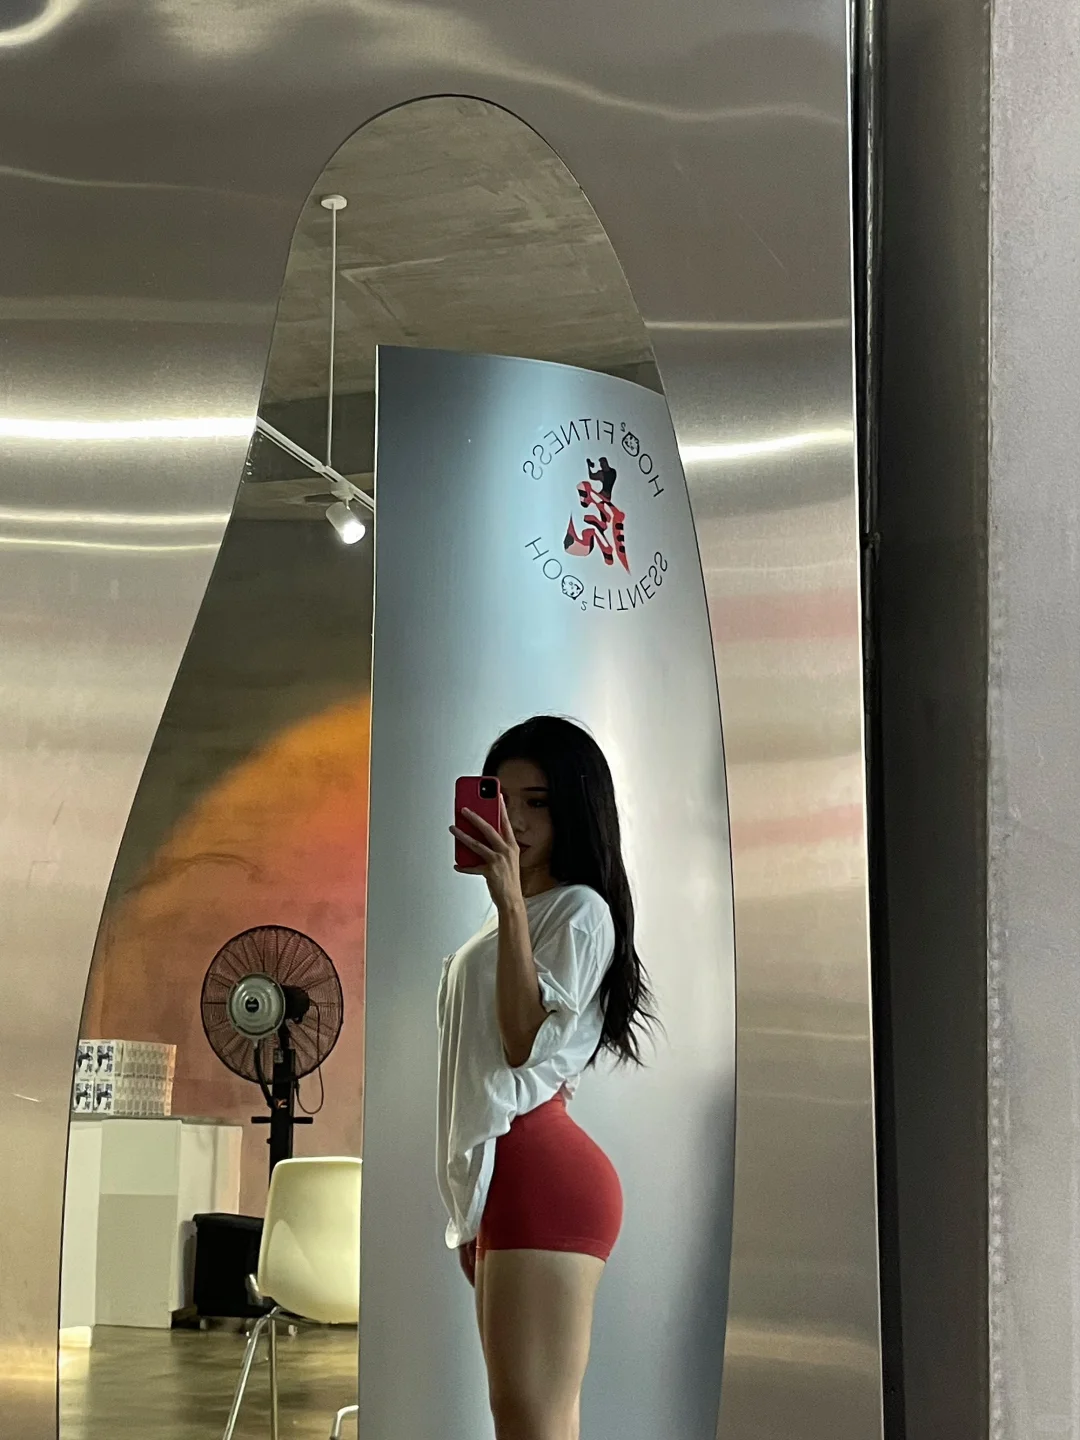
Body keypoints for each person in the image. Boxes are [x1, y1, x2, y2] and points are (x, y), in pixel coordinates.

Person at [439, 715, 654, 1440]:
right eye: (503, 800)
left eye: (539, 802)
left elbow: (522, 1044)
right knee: (534, 1421)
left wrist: (507, 901)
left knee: (530, 1423)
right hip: (506, 1174)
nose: (518, 821)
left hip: (541, 1171)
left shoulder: (579, 910)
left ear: (575, 811)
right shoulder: (514, 918)